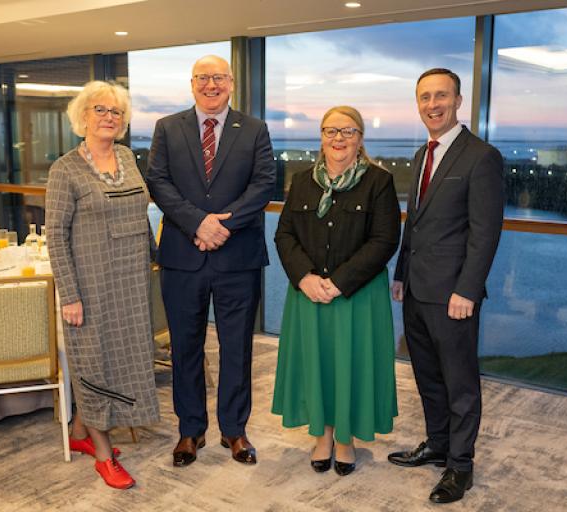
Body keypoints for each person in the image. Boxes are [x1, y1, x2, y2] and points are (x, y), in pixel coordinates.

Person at [146, 55, 275, 467]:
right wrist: (197, 223)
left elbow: (264, 183)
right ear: (192, 83)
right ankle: (190, 430)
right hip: (183, 256)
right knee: (186, 347)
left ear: (231, 82)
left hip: (238, 258)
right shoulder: (168, 128)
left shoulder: (254, 129)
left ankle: (234, 431)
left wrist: (224, 226)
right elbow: (158, 181)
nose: (211, 84)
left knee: (236, 348)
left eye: (218, 77)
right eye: (203, 78)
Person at [389, 68, 504, 503]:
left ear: (458, 100)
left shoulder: (481, 156)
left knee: (460, 383)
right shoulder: (423, 154)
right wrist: (401, 273)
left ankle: (460, 467)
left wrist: (468, 291)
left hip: (454, 295)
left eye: (440, 96)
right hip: (417, 290)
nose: (432, 105)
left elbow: (485, 232)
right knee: (428, 376)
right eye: (424, 97)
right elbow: (414, 225)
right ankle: (437, 444)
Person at [272, 106, 401, 476]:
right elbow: (284, 235)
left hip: (356, 296)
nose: (338, 139)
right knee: (320, 365)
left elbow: (384, 240)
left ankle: (346, 438)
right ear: (321, 136)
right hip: (309, 294)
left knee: (351, 363)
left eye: (347, 132)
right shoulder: (301, 181)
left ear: (360, 138)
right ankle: (323, 435)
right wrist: (305, 278)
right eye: (331, 131)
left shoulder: (379, 182)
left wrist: (339, 282)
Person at [46, 80, 159, 490]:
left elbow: (140, 214)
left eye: (116, 112)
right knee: (92, 361)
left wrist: (156, 256)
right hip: (89, 286)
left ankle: (79, 429)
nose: (109, 117)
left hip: (130, 283)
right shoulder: (65, 169)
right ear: (83, 117)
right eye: (101, 110)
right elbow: (55, 235)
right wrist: (70, 295)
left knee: (123, 359)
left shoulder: (128, 157)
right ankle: (103, 454)